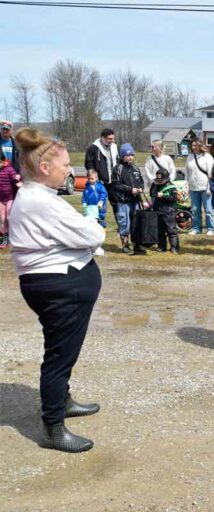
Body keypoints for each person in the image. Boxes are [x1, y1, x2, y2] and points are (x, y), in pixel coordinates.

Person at [9, 128, 105, 453]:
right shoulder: (40, 201)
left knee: (61, 349)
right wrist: (95, 225)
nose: (70, 170)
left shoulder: (39, 197)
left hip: (60, 283)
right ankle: (53, 426)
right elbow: (91, 235)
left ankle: (61, 401)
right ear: (45, 168)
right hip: (59, 286)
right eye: (65, 165)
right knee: (59, 356)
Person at [111, 144, 145, 254]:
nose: (130, 157)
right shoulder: (118, 169)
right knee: (124, 223)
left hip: (136, 201)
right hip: (123, 201)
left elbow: (141, 181)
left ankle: (137, 244)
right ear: (122, 156)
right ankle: (125, 245)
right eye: (127, 155)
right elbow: (115, 185)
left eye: (132, 155)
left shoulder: (135, 168)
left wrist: (140, 188)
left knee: (136, 223)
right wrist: (130, 189)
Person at [185, 139, 214, 236]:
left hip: (205, 187)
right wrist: (186, 185)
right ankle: (196, 228)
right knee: (195, 209)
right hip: (193, 187)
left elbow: (211, 173)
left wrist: (209, 187)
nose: (193, 147)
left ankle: (210, 228)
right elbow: (187, 172)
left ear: (200, 146)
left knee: (208, 210)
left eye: (195, 145)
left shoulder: (208, 157)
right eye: (192, 146)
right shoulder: (189, 157)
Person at [149, 169, 179, 254]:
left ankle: (174, 247)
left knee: (171, 230)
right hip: (158, 210)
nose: (159, 181)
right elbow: (152, 194)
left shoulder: (171, 186)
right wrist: (154, 185)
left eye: (161, 180)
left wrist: (163, 196)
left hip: (168, 211)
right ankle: (162, 247)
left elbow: (174, 199)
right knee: (160, 230)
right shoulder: (155, 184)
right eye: (158, 179)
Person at [0, 152, 21, 248]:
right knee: (2, 219)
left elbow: (15, 179)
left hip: (10, 198)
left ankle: (14, 236)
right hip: (1, 199)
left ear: (4, 160)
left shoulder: (9, 169)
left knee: (9, 217)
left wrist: (17, 180)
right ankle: (5, 239)